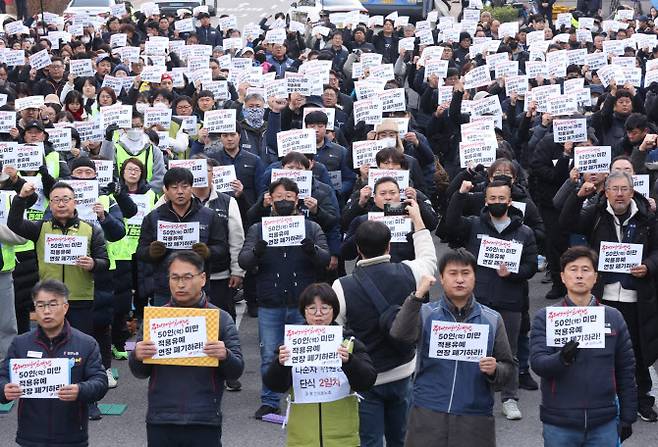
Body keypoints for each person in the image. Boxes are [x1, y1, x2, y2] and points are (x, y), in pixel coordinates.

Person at [332, 201, 437, 447]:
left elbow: (336, 328)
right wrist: (417, 220)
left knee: (370, 440)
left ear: (358, 249)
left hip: (367, 377)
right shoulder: (410, 271)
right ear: (389, 246)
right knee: (401, 438)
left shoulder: (342, 286)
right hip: (403, 369)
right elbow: (429, 258)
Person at [559, 171, 658, 422]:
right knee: (601, 347)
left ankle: (642, 400)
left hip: (636, 295)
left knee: (637, 350)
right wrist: (577, 195)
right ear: (606, 192)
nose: (620, 194)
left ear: (632, 191)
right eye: (614, 189)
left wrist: (648, 266)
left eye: (624, 189)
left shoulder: (648, 218)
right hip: (604, 295)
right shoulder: (595, 214)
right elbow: (566, 223)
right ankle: (602, 398)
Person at [389, 249, 515, 447]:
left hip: (474, 415)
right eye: (453, 273)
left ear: (475, 277)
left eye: (465, 273)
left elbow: (508, 367)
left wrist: (495, 370)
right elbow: (399, 334)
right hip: (428, 412)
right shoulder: (426, 313)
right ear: (441, 278)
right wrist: (417, 296)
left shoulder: (491, 319)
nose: (459, 279)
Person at [129, 251, 244, 447]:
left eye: (187, 277)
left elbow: (236, 370)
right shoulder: (157, 318)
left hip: (204, 417)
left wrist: (225, 355)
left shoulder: (220, 318)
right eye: (175, 278)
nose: (180, 284)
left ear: (202, 279)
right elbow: (140, 372)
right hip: (161, 417)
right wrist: (137, 356)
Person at [446, 178, 538, 420]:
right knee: (470, 350)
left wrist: (513, 272)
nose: (497, 202)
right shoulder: (474, 225)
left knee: (510, 354)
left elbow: (531, 265)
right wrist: (460, 195)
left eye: (502, 199)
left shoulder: (524, 232)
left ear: (509, 201)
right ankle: (470, 397)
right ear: (486, 200)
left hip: (510, 301)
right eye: (493, 198)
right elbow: (450, 226)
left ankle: (509, 398)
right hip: (477, 301)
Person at [238, 177, 331, 419]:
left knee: (305, 353)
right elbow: (244, 261)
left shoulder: (311, 228)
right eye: (278, 197)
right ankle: (270, 400)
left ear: (297, 199)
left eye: (289, 197)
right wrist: (258, 249)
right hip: (270, 302)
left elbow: (325, 260)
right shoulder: (258, 229)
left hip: (303, 304)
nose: (284, 201)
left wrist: (312, 249)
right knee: (270, 354)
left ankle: (304, 396)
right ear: (270, 199)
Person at [530, 246, 637, 446]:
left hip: (604, 421)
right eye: (573, 269)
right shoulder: (545, 317)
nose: (579, 275)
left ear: (595, 277)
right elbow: (538, 363)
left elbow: (626, 370)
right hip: (559, 421)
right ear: (562, 276)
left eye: (585, 270)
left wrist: (628, 416)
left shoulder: (613, 317)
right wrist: (561, 359)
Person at [263, 283, 377, 446]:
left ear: (334, 311)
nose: (318, 315)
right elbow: (274, 385)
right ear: (304, 312)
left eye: (325, 308)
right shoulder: (292, 344)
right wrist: (280, 364)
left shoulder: (349, 342)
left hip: (343, 437)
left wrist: (350, 362)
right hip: (301, 438)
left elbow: (367, 381)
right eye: (311, 309)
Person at [0, 279, 108, 446]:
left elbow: (100, 382)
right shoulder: (20, 343)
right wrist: (4, 390)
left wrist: (80, 390)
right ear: (35, 309)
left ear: (65, 307)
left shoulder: (86, 343)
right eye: (40, 305)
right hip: (30, 436)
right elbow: (3, 377)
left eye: (52, 304)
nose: (46, 311)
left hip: (72, 437)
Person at [7, 181, 110, 336]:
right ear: (50, 204)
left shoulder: (90, 229)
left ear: (74, 202)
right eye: (56, 200)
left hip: (79, 299)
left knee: (78, 348)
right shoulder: (41, 227)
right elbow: (14, 224)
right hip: (49, 300)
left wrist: (93, 264)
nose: (61, 204)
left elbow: (104, 262)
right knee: (49, 348)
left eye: (66, 199)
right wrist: (21, 198)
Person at [136, 167, 229, 306]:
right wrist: (151, 252)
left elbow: (222, 248)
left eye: (185, 187)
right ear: (166, 190)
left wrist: (208, 252)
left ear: (191, 188)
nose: (180, 191)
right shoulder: (153, 217)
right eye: (174, 187)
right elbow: (140, 252)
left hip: (197, 289)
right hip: (164, 289)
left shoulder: (209, 216)